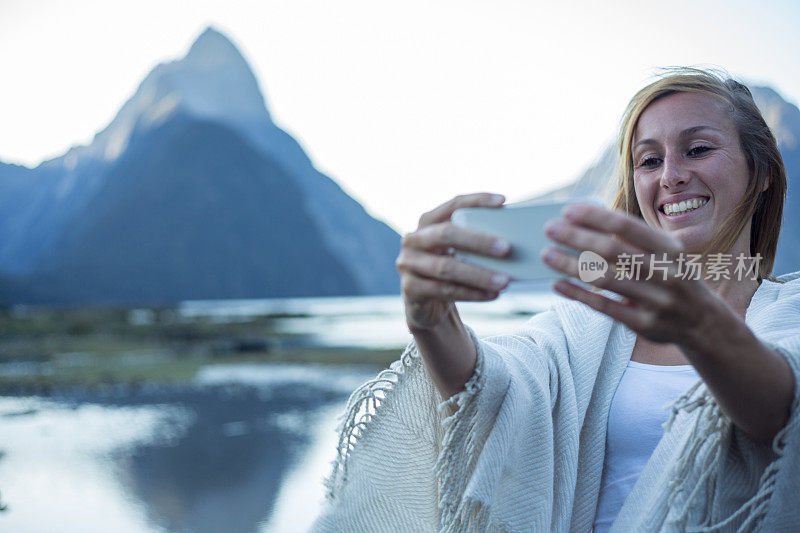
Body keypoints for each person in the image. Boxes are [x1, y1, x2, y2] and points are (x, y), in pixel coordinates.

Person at [311, 68, 800, 531]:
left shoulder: (791, 312)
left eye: (697, 150)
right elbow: (494, 391)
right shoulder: (587, 324)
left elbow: (785, 415)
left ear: (762, 175)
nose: (670, 175)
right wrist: (431, 321)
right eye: (649, 160)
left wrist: (700, 325)